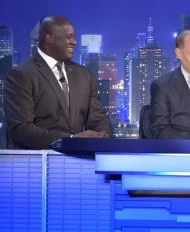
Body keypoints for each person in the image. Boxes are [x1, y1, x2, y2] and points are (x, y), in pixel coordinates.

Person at [5, 15, 112, 149]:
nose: (74, 42)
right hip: (38, 162)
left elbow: (98, 118)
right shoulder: (21, 75)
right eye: (69, 37)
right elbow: (21, 128)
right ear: (49, 38)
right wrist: (70, 141)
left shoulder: (84, 75)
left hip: (80, 162)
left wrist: (102, 135)